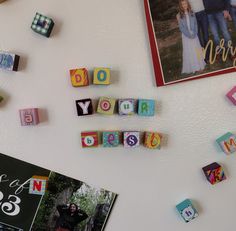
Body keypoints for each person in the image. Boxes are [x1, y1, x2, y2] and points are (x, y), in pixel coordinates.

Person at [177, 0, 206, 74]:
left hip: (194, 34)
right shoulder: (179, 15)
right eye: (183, 4)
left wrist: (194, 32)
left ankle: (201, 64)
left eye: (185, 4)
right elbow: (181, 27)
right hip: (186, 36)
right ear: (181, 6)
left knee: (197, 48)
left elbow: (196, 24)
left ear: (188, 4)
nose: (184, 5)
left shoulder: (192, 13)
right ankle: (194, 67)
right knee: (189, 50)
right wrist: (188, 34)